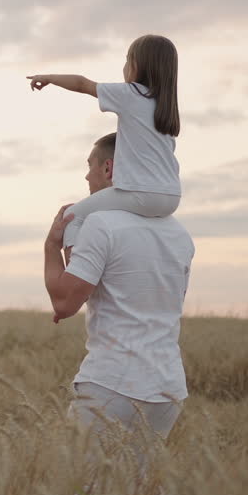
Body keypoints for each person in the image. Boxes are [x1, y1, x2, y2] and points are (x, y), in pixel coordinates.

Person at [43, 132, 195, 473]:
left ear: (108, 168)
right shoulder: (179, 233)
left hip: (112, 384)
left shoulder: (102, 223)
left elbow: (64, 303)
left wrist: (51, 246)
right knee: (142, 490)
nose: (86, 176)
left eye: (90, 166)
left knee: (80, 486)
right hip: (168, 389)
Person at [28, 34, 182, 251]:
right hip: (172, 196)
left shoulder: (130, 94)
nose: (124, 67)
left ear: (136, 65)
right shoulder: (166, 108)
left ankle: (76, 269)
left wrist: (49, 77)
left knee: (71, 217)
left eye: (127, 60)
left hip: (140, 193)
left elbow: (82, 84)